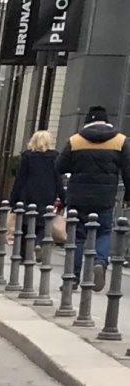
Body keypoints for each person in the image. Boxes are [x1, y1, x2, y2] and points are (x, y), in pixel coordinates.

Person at [59, 106, 127, 276]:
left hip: (78, 197)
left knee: (78, 235)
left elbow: (60, 166)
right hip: (105, 198)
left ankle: (72, 277)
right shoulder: (120, 141)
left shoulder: (75, 140)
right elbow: (128, 170)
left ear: (87, 121)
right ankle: (100, 261)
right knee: (104, 231)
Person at [11, 128, 61, 260]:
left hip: (28, 193)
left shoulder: (28, 156)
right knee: (44, 222)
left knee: (25, 225)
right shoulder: (55, 156)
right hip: (47, 194)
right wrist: (63, 197)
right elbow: (58, 178)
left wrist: (13, 199)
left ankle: (22, 255)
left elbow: (20, 178)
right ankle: (39, 243)